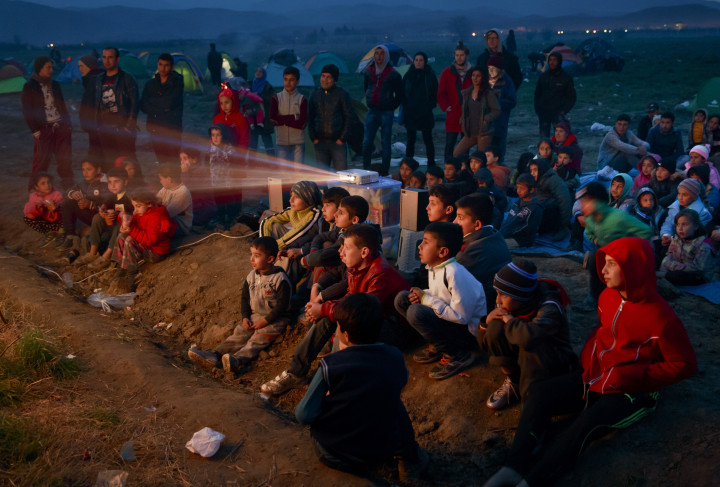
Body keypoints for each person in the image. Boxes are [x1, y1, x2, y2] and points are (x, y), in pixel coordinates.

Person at [482, 237, 697, 487]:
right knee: (539, 393)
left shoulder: (661, 318)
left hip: (632, 392)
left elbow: (684, 365)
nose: (603, 269)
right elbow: (603, 330)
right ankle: (512, 467)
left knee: (583, 425)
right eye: (604, 262)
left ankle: (531, 481)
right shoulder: (607, 297)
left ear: (633, 268)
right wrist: (591, 354)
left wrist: (637, 376)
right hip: (596, 374)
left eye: (612, 264)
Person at [260, 224, 409, 396]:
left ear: (364, 252)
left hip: (392, 329)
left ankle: (335, 379)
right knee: (329, 317)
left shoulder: (380, 274)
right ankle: (296, 373)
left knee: (342, 321)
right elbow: (350, 299)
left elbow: (360, 312)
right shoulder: (357, 267)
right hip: (370, 322)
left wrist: (323, 309)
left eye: (347, 248)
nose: (341, 252)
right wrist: (320, 308)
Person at [295, 293, 427, 482]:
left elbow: (303, 415)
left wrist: (329, 400)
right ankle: (409, 461)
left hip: (333, 453)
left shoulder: (330, 366)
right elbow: (400, 382)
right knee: (395, 405)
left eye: (338, 326)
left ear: (346, 335)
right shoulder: (394, 356)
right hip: (379, 451)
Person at [477, 259, 576, 411]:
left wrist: (510, 321)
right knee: (495, 327)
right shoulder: (512, 303)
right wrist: (486, 323)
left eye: (503, 295)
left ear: (520, 296)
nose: (498, 300)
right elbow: (486, 343)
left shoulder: (549, 307)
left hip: (551, 358)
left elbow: (528, 337)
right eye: (497, 293)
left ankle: (533, 398)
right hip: (525, 348)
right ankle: (515, 380)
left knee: (529, 346)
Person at [394, 222, 486, 380]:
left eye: (426, 242)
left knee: (416, 312)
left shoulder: (455, 274)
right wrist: (423, 294)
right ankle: (439, 344)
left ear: (442, 251)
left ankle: (457, 354)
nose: (419, 246)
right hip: (451, 321)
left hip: (467, 335)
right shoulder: (435, 267)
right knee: (402, 298)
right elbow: (441, 295)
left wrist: (425, 298)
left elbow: (461, 317)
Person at [188, 236, 292, 372]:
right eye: (251, 254)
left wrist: (266, 321)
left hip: (276, 320)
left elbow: (282, 306)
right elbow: (245, 298)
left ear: (270, 259)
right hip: (255, 316)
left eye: (257, 256)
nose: (251, 259)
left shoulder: (279, 279)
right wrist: (245, 317)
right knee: (239, 334)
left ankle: (237, 360)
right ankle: (214, 355)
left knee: (258, 339)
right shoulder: (251, 276)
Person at [577, 183, 652, 301]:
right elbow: (589, 233)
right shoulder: (591, 220)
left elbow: (645, 231)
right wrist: (596, 240)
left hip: (627, 257)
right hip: (608, 252)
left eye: (586, 201)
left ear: (597, 202)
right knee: (594, 259)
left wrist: (628, 248)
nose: (582, 206)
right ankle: (595, 294)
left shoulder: (618, 217)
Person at [22, 56, 74, 190]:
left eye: (51, 67)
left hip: (60, 126)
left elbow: (62, 105)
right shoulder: (30, 86)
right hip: (43, 128)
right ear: (40, 68)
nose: (51, 70)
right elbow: (28, 110)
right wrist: (35, 130)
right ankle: (34, 188)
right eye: (48, 67)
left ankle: (69, 186)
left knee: (65, 159)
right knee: (41, 160)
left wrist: (67, 124)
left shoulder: (54, 85)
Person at [454, 193, 511, 305]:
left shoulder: (471, 252)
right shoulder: (494, 234)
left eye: (460, 218)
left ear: (477, 225)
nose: (454, 222)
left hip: (481, 306)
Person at [75, 167, 134, 270]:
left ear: (125, 182)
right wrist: (102, 210)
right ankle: (93, 252)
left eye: (116, 181)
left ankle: (107, 255)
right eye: (110, 182)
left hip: (125, 229)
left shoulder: (129, 196)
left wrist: (116, 213)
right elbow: (106, 203)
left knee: (120, 221)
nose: (112, 185)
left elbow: (129, 210)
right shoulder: (113, 195)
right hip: (112, 226)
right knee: (97, 217)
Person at [111, 189, 176, 284]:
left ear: (149, 203)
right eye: (134, 206)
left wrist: (131, 230)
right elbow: (133, 222)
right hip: (148, 247)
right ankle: (122, 266)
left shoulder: (156, 217)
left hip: (156, 253)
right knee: (122, 236)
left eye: (138, 206)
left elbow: (150, 240)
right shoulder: (143, 212)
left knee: (129, 240)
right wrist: (125, 220)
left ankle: (132, 274)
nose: (135, 210)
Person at [93, 47, 139, 170]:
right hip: (105, 128)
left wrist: (129, 124)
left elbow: (134, 102)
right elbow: (97, 102)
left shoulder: (126, 78)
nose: (107, 61)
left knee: (128, 160)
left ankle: (137, 181)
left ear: (117, 59)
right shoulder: (99, 79)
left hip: (122, 127)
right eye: (104, 57)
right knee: (110, 161)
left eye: (110, 57)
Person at [362, 45, 402, 175]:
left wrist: (391, 105)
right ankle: (366, 169)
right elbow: (366, 88)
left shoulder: (393, 74)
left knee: (385, 142)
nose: (379, 56)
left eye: (382, 54)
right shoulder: (368, 72)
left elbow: (399, 94)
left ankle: (384, 171)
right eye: (377, 53)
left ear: (386, 56)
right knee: (367, 141)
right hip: (372, 110)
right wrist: (369, 100)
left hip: (386, 112)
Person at [308, 64, 353, 170]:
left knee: (341, 174)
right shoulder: (315, 94)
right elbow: (310, 117)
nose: (325, 80)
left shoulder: (342, 94)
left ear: (335, 80)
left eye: (329, 77)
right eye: (323, 76)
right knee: (322, 175)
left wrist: (342, 138)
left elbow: (349, 117)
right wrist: (313, 137)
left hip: (337, 142)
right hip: (320, 142)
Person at [140, 53, 184, 165]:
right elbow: (143, 105)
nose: (163, 68)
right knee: (161, 160)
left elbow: (170, 102)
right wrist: (161, 107)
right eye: (160, 64)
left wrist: (153, 103)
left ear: (172, 67)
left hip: (172, 127)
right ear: (157, 65)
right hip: (155, 127)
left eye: (166, 65)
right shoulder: (150, 84)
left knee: (173, 160)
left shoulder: (177, 82)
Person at [58, 158, 109, 251]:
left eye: (89, 169)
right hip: (89, 217)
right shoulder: (84, 184)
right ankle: (70, 235)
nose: (85, 173)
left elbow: (108, 205)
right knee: (66, 203)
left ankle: (89, 241)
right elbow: (66, 193)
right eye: (83, 170)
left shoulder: (107, 184)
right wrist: (72, 193)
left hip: (101, 219)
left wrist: (90, 205)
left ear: (98, 170)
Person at [453, 66, 501, 157]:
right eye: (473, 75)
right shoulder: (467, 93)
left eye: (478, 76)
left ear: (483, 78)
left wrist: (486, 119)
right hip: (470, 132)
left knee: (481, 158)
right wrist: (462, 120)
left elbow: (496, 110)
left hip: (484, 133)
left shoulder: (488, 94)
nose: (475, 78)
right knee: (456, 154)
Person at [437, 41, 473, 160]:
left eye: (461, 55)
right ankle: (448, 167)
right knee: (450, 144)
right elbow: (441, 92)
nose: (459, 58)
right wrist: (445, 106)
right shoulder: (447, 72)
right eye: (457, 55)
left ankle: (464, 168)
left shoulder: (473, 73)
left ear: (467, 56)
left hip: (468, 115)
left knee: (465, 146)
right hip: (453, 114)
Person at [660, 209, 714, 286]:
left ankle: (662, 275)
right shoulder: (677, 239)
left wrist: (671, 265)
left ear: (696, 226)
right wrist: (667, 264)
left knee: (677, 275)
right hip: (676, 268)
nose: (680, 228)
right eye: (678, 224)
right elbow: (669, 255)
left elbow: (697, 269)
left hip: (696, 276)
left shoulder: (704, 244)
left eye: (684, 224)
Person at [402, 52, 438, 166]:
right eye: (416, 60)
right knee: (410, 140)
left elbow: (434, 92)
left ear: (425, 62)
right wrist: (406, 106)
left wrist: (429, 106)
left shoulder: (429, 75)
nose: (418, 62)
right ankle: (408, 164)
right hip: (411, 112)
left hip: (425, 112)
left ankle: (431, 164)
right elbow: (403, 92)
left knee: (428, 140)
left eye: (421, 60)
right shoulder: (408, 75)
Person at [533, 52, 575, 138]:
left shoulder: (565, 78)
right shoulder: (543, 77)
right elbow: (537, 94)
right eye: (550, 60)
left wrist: (564, 111)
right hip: (544, 112)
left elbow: (572, 97)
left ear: (559, 61)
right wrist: (538, 110)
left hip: (558, 112)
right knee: (544, 139)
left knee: (561, 137)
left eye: (554, 60)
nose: (552, 63)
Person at [271, 66, 307, 163]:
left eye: (291, 80)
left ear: (297, 81)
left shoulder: (302, 99)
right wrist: (294, 117)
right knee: (283, 171)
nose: (288, 82)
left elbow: (302, 124)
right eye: (286, 79)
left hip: (298, 142)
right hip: (281, 142)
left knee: (298, 171)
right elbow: (273, 120)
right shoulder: (276, 98)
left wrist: (281, 120)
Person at [528, 158, 572, 239]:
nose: (532, 173)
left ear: (542, 169)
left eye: (535, 170)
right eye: (531, 170)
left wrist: (564, 223)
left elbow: (564, 201)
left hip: (554, 211)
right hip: (542, 206)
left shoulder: (553, 180)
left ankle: (563, 228)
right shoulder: (537, 179)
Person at [660, 178, 713, 243]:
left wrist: (672, 239)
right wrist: (666, 235)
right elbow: (668, 223)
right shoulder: (675, 207)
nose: (680, 197)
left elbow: (695, 234)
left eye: (685, 195)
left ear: (693, 196)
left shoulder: (702, 212)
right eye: (679, 193)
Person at [206, 123, 239, 225]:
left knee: (228, 199)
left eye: (218, 135)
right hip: (215, 180)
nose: (215, 138)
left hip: (227, 181)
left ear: (223, 135)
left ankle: (230, 217)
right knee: (218, 199)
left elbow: (233, 163)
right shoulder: (210, 149)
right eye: (213, 135)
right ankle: (220, 216)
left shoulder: (229, 149)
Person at [486, 54, 517, 161]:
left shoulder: (506, 81)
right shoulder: (484, 80)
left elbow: (512, 101)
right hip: (485, 121)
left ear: (499, 69)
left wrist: (496, 102)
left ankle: (499, 166)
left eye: (493, 68)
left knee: (498, 148)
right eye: (489, 68)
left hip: (500, 121)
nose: (491, 71)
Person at [500, 173, 543, 247]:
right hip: (508, 234)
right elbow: (509, 221)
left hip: (520, 240)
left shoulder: (535, 208)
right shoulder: (518, 203)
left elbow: (528, 230)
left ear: (531, 190)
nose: (518, 191)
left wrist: (506, 233)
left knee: (497, 245)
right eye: (517, 187)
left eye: (522, 188)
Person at [180, 146, 217, 228]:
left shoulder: (200, 172)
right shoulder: (188, 171)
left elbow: (189, 192)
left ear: (195, 160)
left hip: (203, 210)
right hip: (194, 207)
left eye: (185, 159)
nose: (182, 162)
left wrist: (184, 173)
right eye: (181, 159)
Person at [476, 28, 523, 93]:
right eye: (489, 38)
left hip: (504, 95)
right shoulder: (482, 58)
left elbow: (517, 77)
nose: (491, 41)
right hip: (485, 95)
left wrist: (509, 91)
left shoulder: (510, 59)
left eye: (494, 38)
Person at [23, 173, 64, 247]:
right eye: (43, 183)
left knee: (65, 211)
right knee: (27, 218)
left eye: (49, 182)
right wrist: (37, 207)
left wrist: (55, 209)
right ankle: (50, 233)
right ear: (37, 187)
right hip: (47, 223)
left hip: (58, 223)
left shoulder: (57, 194)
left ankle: (61, 233)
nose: (47, 185)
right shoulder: (34, 196)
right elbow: (28, 212)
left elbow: (61, 210)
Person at [78, 54, 104, 162]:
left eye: (82, 66)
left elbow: (91, 103)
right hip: (95, 124)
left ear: (90, 66)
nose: (80, 69)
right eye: (79, 66)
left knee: (97, 152)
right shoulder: (91, 79)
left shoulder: (94, 80)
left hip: (96, 124)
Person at [156, 164, 192, 237]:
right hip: (168, 220)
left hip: (180, 226)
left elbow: (167, 213)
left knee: (154, 226)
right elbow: (155, 201)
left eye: (161, 179)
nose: (160, 181)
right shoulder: (165, 189)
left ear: (169, 179)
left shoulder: (183, 192)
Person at [249, 67, 275, 156]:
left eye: (260, 72)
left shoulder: (267, 86)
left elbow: (272, 99)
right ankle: (252, 161)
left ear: (263, 74)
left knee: (267, 140)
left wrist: (260, 96)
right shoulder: (250, 84)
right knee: (253, 141)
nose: (258, 73)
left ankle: (272, 161)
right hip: (252, 116)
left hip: (264, 117)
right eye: (256, 71)